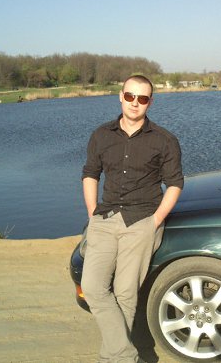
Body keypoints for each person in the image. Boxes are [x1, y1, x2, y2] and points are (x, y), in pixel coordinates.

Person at [80, 75, 184, 362]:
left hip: (142, 220)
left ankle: (113, 358)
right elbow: (90, 174)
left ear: (150, 102)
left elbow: (175, 184)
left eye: (142, 98)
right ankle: (126, 355)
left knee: (125, 293)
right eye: (130, 96)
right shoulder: (101, 135)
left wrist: (155, 221)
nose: (135, 103)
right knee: (92, 287)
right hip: (105, 217)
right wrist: (92, 213)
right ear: (120, 96)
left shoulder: (164, 140)